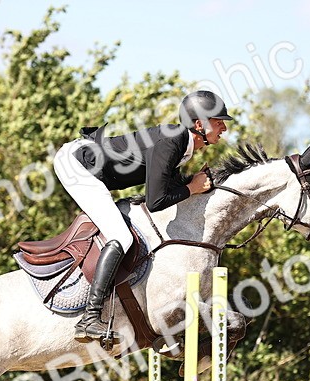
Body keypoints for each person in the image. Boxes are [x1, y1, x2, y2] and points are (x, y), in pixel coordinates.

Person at [52, 90, 233, 343]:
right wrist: (191, 188)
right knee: (121, 236)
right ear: (200, 124)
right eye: (219, 121)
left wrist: (191, 184)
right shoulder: (172, 141)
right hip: (76, 164)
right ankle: (89, 318)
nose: (224, 127)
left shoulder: (181, 144)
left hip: (86, 160)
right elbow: (156, 201)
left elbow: (166, 187)